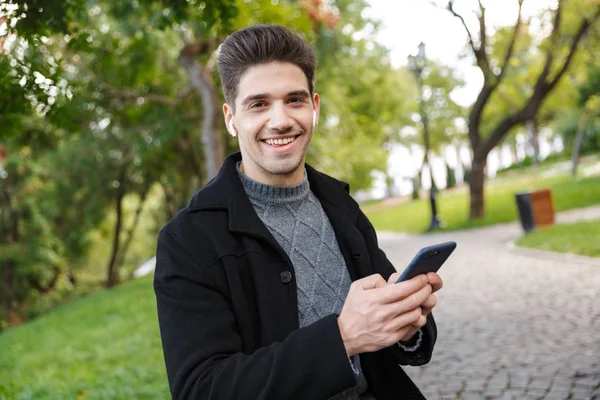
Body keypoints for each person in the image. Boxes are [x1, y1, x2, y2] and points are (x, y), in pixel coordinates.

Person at [154, 24, 443, 400]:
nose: (281, 120)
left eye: (295, 100)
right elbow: (202, 389)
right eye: (259, 104)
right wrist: (342, 338)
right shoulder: (188, 240)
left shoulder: (341, 204)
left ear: (314, 107)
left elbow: (396, 337)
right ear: (230, 118)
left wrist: (407, 323)